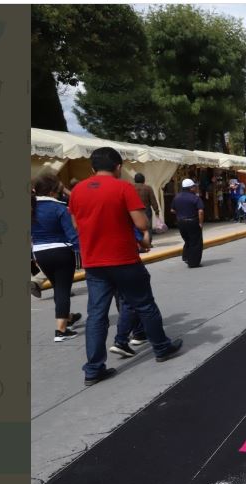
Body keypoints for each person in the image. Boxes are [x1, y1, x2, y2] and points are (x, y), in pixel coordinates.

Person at [68, 147, 182, 386]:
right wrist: (143, 239)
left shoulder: (77, 191)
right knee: (144, 304)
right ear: (118, 167)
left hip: (94, 263)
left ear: (92, 168)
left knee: (96, 315)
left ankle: (93, 369)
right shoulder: (123, 188)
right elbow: (140, 222)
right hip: (123, 259)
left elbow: (76, 225)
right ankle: (161, 348)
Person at [31, 173, 81, 342]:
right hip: (62, 251)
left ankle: (67, 317)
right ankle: (61, 330)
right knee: (62, 290)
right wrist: (83, 254)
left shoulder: (30, 207)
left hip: (40, 252)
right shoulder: (59, 208)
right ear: (53, 191)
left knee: (57, 288)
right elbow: (72, 235)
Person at [171, 178, 205, 268]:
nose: (195, 188)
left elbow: (172, 210)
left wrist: (181, 212)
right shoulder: (195, 198)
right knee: (196, 242)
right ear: (190, 188)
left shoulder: (177, 197)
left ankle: (186, 257)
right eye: (194, 186)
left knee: (187, 240)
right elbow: (200, 211)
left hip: (181, 222)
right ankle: (193, 262)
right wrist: (201, 223)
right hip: (192, 221)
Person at [133, 173, 160, 242]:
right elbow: (153, 200)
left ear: (135, 180)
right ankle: (148, 242)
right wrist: (156, 211)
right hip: (146, 209)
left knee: (136, 226)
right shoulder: (148, 188)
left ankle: (139, 242)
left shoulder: (131, 188)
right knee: (148, 226)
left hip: (134, 210)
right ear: (144, 180)